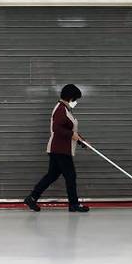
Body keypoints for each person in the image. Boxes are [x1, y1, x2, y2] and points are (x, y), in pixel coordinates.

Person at [24, 84, 90, 212]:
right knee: (70, 176)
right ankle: (74, 204)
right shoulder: (60, 109)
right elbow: (57, 129)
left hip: (59, 149)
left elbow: (70, 130)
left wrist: (82, 141)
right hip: (60, 150)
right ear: (70, 97)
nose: (76, 102)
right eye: (75, 99)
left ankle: (32, 198)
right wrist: (73, 135)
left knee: (52, 175)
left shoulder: (65, 109)